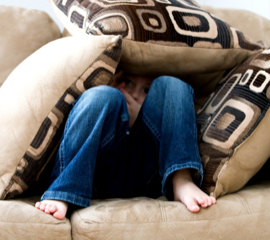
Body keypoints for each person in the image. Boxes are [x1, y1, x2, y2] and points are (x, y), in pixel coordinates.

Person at [35, 71, 216, 220]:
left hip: (149, 175)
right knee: (101, 95)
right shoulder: (112, 99)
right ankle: (64, 190)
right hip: (97, 175)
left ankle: (181, 178)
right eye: (128, 82)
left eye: (146, 90)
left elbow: (166, 105)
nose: (135, 93)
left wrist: (140, 118)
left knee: (173, 84)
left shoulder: (158, 106)